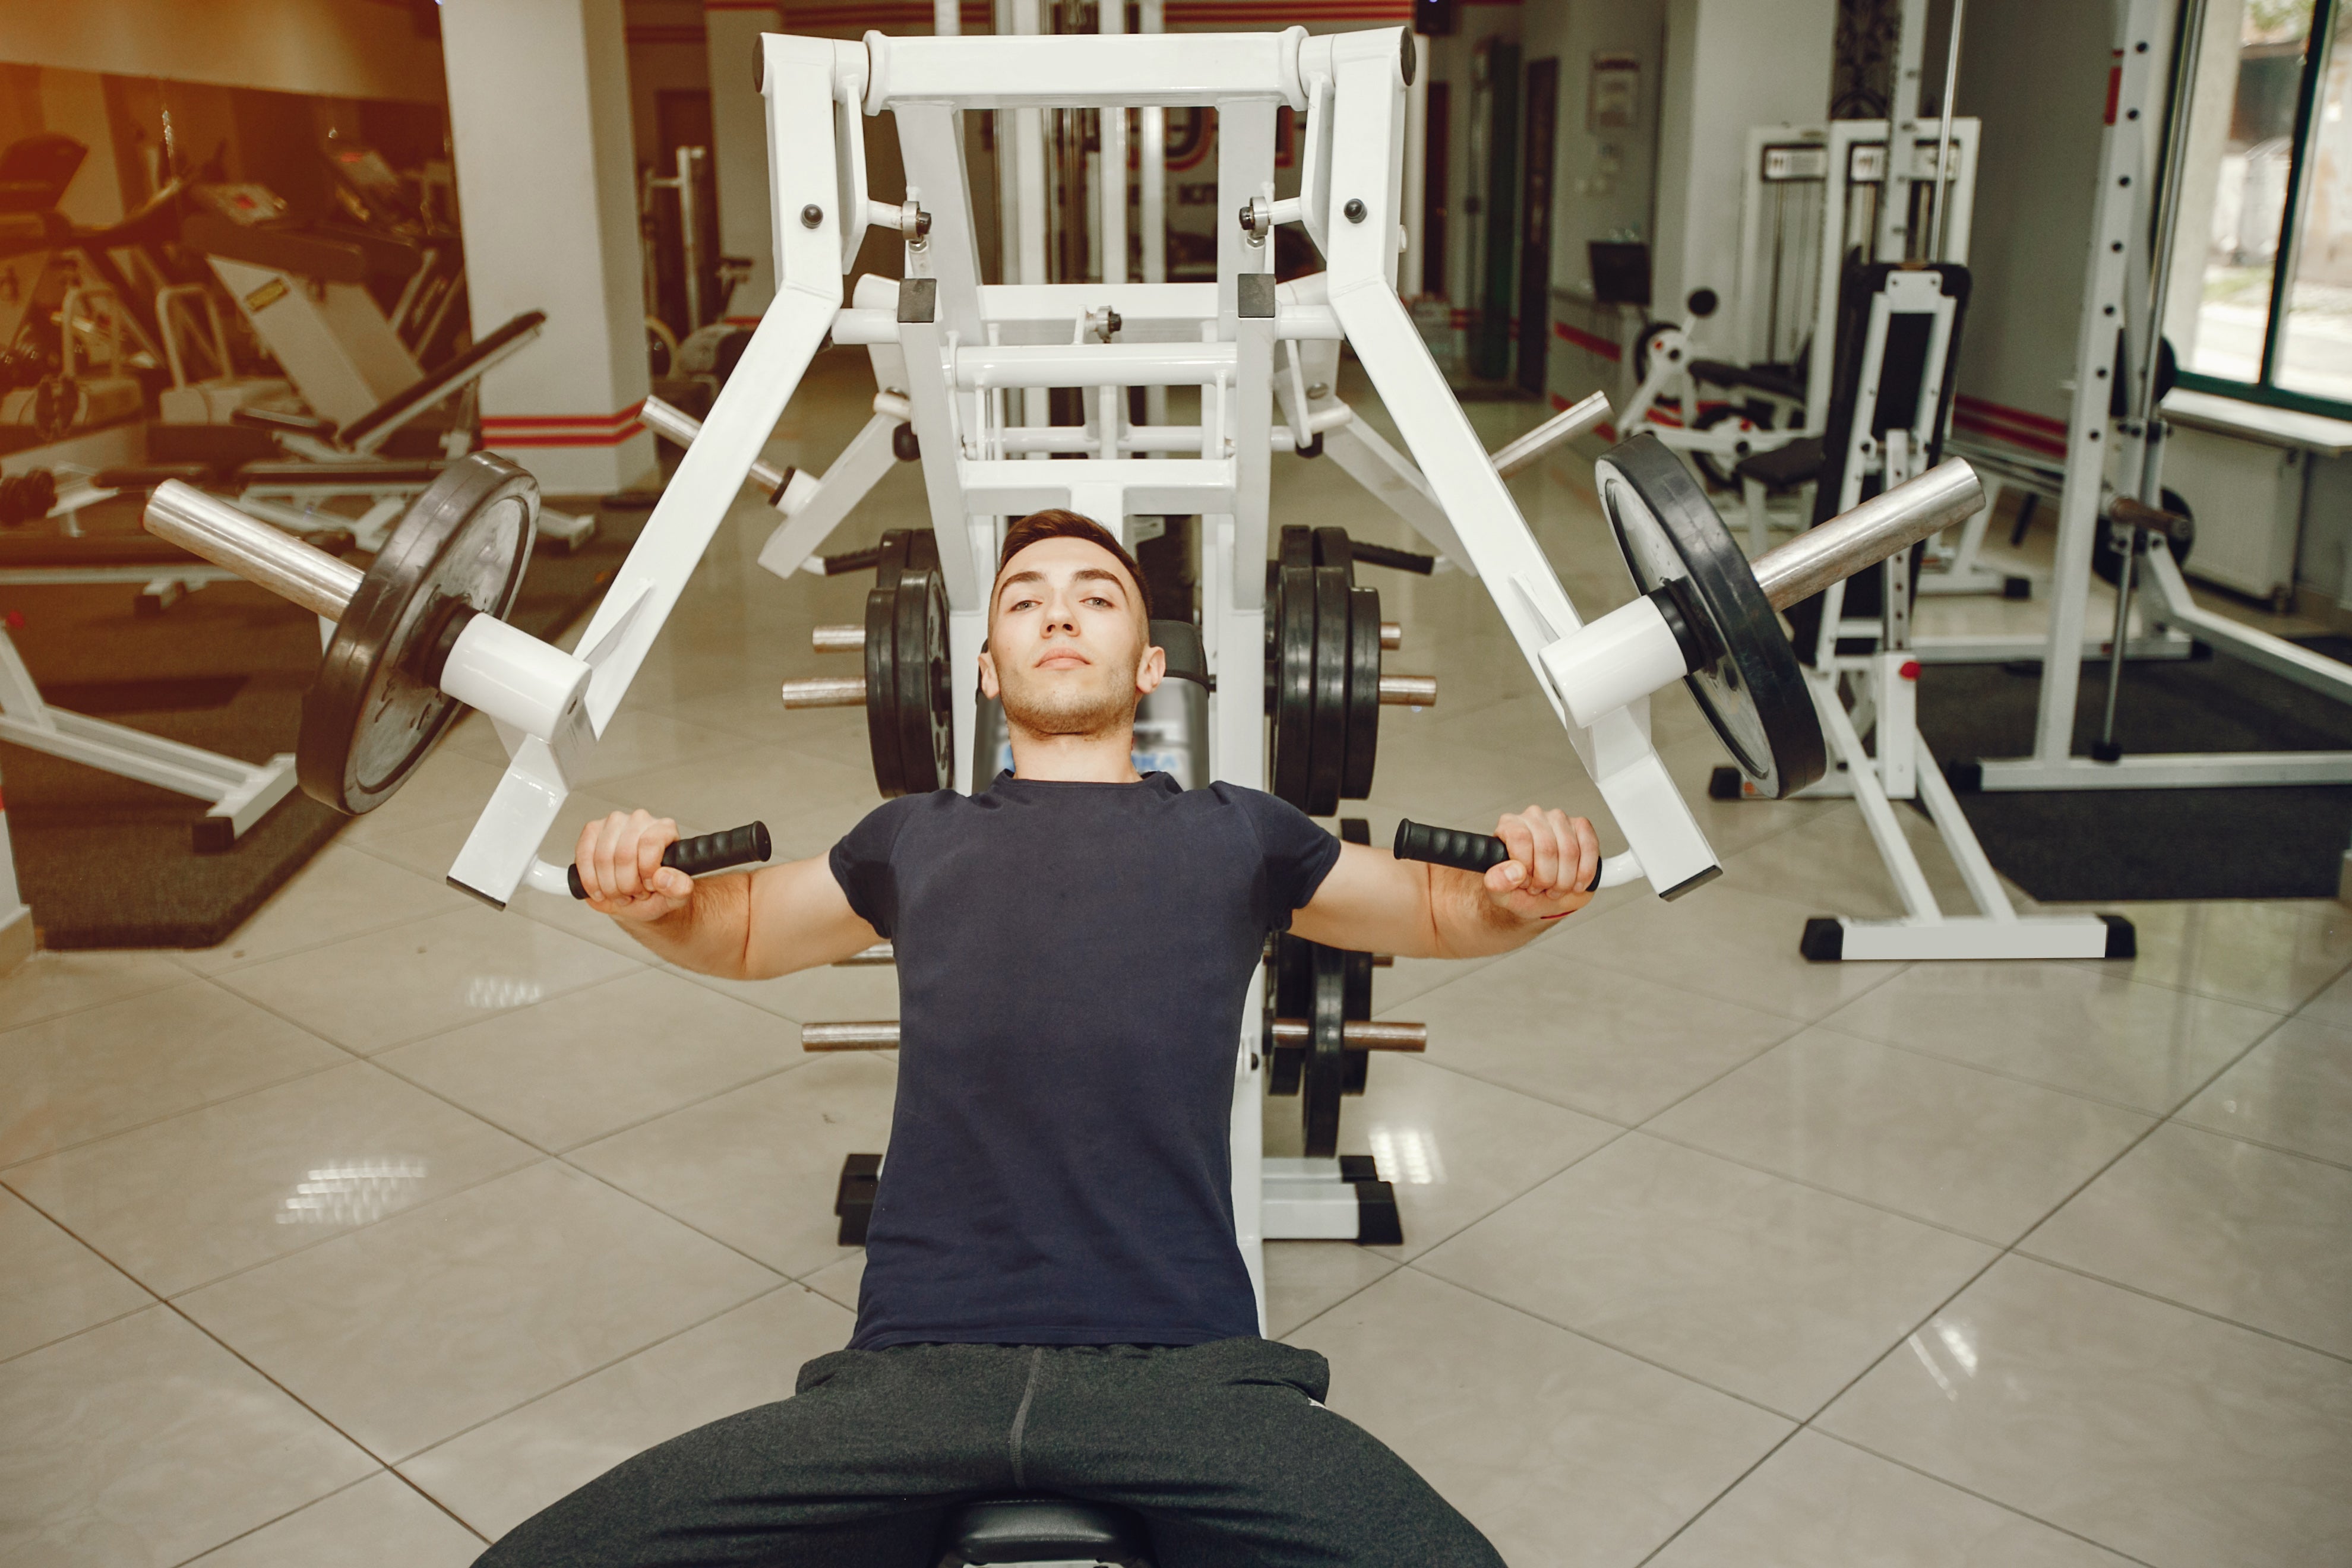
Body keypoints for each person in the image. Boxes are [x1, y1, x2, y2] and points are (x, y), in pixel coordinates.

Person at [479, 510, 1600, 1568]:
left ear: (1150, 666)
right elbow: (741, 927)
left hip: (1188, 1381)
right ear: (986, 671)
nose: (1059, 613)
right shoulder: (912, 837)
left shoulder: (1238, 832)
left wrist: (1529, 888)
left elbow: (1441, 908)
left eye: (1096, 596)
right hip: (910, 1383)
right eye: (1025, 600)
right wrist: (652, 900)